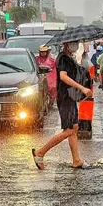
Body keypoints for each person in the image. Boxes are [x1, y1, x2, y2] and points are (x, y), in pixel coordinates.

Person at [32, 41, 92, 170]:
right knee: (69, 130)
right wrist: (82, 88)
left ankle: (76, 160)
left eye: (77, 43)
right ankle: (40, 152)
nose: (76, 45)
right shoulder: (63, 58)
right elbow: (63, 77)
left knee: (74, 128)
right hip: (65, 97)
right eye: (73, 43)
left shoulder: (69, 57)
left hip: (70, 97)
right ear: (67, 44)